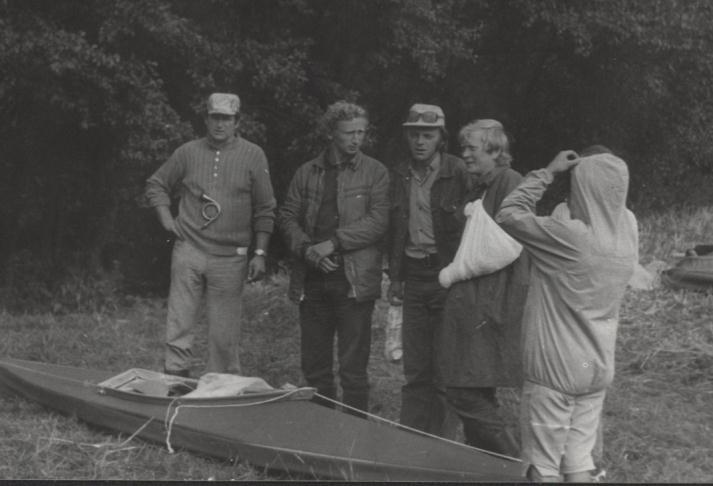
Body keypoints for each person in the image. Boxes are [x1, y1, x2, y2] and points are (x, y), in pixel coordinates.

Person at [496, 150, 638, 482]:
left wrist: (549, 171)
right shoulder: (627, 231)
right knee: (578, 461)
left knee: (542, 466)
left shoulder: (570, 237)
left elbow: (508, 213)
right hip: (596, 366)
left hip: (555, 370)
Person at [145, 92, 276, 377]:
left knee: (224, 331)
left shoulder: (254, 155)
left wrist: (260, 253)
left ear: (237, 122)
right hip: (189, 249)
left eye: (226, 119)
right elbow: (156, 184)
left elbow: (266, 208)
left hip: (231, 257)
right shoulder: (188, 152)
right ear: (206, 119)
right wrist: (168, 220)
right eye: (215, 117)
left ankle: (220, 384)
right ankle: (175, 377)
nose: (220, 124)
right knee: (180, 319)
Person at [278, 100, 389, 414]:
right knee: (315, 368)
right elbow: (287, 217)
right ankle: (320, 431)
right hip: (312, 282)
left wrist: (333, 243)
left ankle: (354, 439)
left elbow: (378, 222)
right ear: (331, 133)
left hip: (353, 282)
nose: (356, 139)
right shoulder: (307, 172)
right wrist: (308, 251)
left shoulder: (375, 172)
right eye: (349, 133)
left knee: (353, 369)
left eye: (361, 132)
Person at [437, 120, 527, 456]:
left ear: (494, 149)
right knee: (476, 385)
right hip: (479, 297)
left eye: (471, 148)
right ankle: (488, 466)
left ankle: (514, 461)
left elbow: (508, 246)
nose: (464, 155)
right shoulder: (481, 186)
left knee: (463, 388)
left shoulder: (508, 181)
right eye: (463, 148)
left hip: (493, 298)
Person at [387, 103, 470, 435]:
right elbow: (394, 230)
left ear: (441, 137)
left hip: (448, 277)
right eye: (415, 135)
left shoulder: (458, 171)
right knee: (415, 368)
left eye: (428, 135)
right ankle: (409, 441)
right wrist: (394, 278)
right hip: (414, 276)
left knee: (444, 368)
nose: (420, 142)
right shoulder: (399, 174)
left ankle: (443, 446)